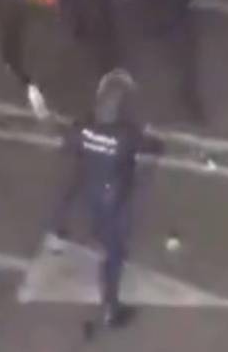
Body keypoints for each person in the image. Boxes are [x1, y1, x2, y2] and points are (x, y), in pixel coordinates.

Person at [49, 69, 155, 331]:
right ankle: (111, 308)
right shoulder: (125, 135)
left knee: (96, 221)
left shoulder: (84, 128)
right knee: (115, 252)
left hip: (91, 191)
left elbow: (67, 145)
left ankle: (62, 229)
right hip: (114, 196)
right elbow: (149, 148)